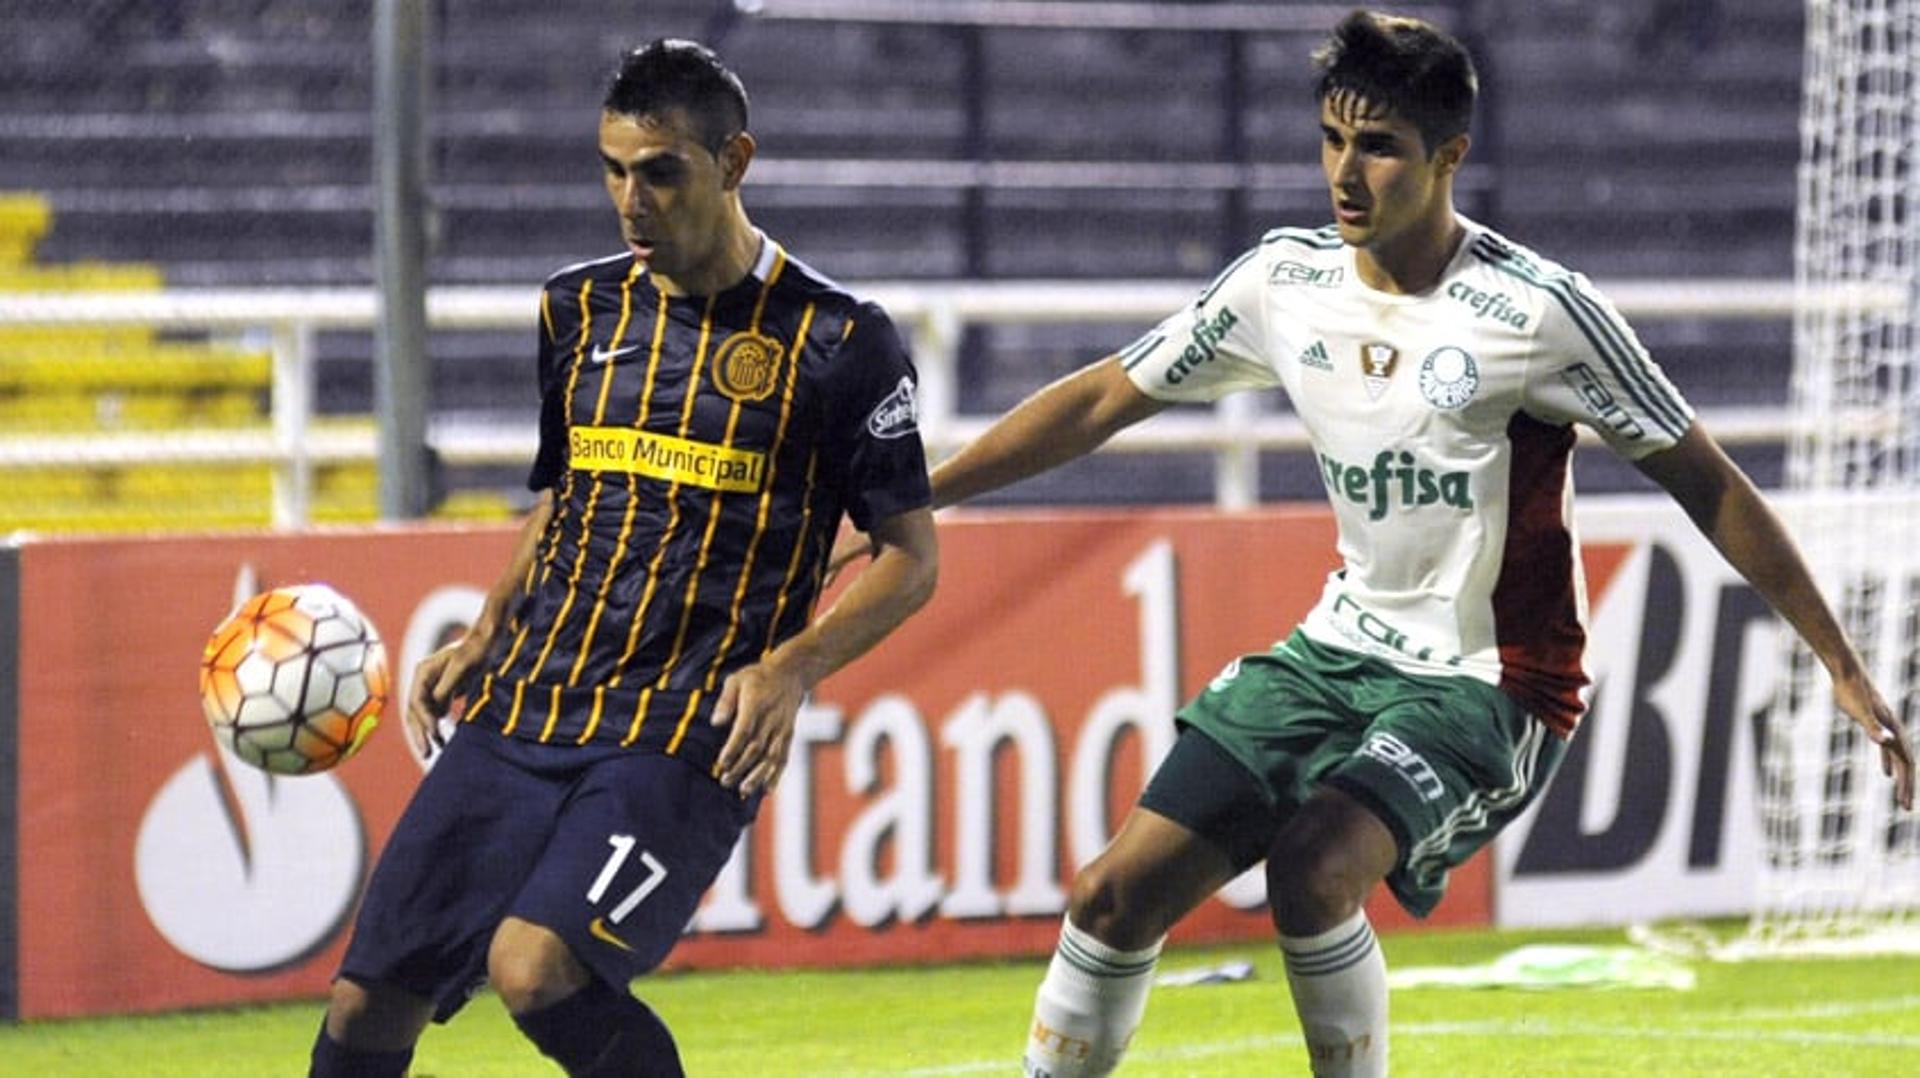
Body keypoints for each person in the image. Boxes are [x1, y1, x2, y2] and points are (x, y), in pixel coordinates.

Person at [836, 10, 1914, 1077]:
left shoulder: (1538, 313)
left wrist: (1840, 658)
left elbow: (1707, 480)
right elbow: (1102, 399)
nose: (1347, 173)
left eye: (1383, 146)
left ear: (1451, 157)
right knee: (1110, 896)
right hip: (1335, 651)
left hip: (1491, 679)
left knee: (1313, 869)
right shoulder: (1285, 283)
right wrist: (915, 495)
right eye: (1333, 139)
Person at [310, 39, 939, 1077]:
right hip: (532, 703)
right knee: (367, 998)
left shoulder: (838, 340)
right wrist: (489, 627)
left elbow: (911, 559)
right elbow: (567, 495)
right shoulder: (577, 309)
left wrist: (789, 669)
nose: (629, 200)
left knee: (536, 968)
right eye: (612, 169)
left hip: (684, 728)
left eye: (659, 172)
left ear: (734, 162)